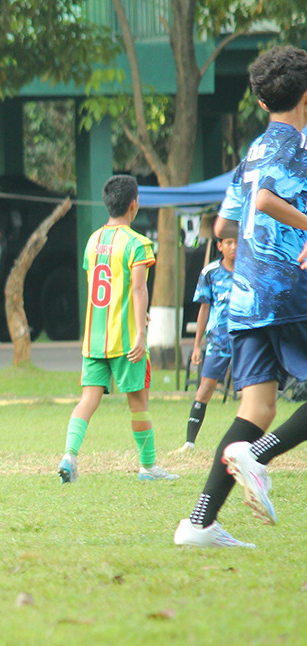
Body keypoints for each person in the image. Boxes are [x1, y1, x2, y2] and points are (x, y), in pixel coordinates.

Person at [174, 44, 307, 548]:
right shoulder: (293, 144)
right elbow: (270, 199)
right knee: (260, 429)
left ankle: (200, 523)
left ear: (260, 101)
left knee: (257, 409)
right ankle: (260, 455)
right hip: (287, 290)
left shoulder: (251, 152)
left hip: (246, 294)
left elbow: (227, 221)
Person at [57, 174, 177, 484]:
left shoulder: (93, 240)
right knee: (138, 403)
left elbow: (101, 287)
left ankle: (69, 454)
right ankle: (148, 467)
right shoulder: (138, 243)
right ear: (134, 204)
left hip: (94, 338)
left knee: (88, 399)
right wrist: (139, 330)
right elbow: (138, 290)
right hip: (126, 341)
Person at [180, 223, 238, 452]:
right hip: (218, 341)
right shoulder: (210, 273)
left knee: (250, 392)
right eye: (229, 243)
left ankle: (249, 444)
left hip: (246, 341)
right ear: (220, 245)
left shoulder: (250, 269)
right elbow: (204, 309)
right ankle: (189, 442)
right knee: (206, 388)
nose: (234, 247)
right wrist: (197, 346)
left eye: (237, 243)